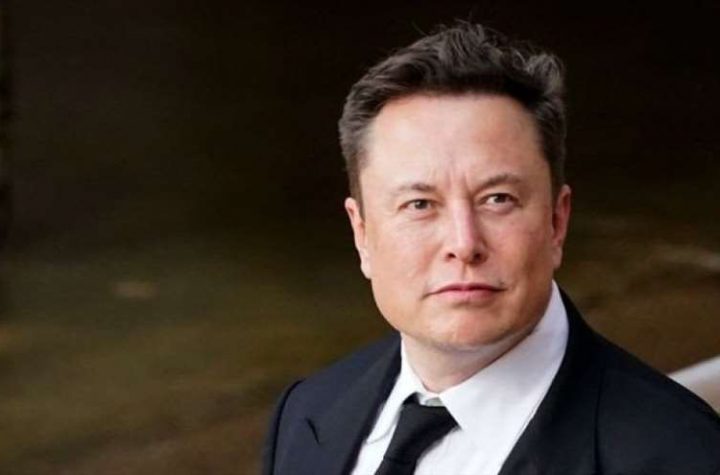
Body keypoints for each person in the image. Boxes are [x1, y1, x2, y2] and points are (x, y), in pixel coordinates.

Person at [262, 22, 720, 475]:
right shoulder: (305, 411)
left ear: (557, 222)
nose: (464, 244)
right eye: (419, 204)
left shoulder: (681, 455)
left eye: (497, 199)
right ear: (362, 234)